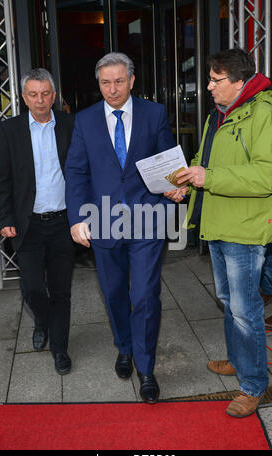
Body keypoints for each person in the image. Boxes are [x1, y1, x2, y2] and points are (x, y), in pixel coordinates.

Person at [165, 48, 272, 417]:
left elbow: (267, 175)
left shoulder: (264, 113)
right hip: (218, 223)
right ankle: (238, 360)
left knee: (246, 312)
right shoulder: (219, 114)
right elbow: (203, 160)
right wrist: (186, 182)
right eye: (209, 79)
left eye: (216, 80)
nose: (208, 87)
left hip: (245, 229)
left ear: (240, 82)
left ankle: (254, 385)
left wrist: (207, 178)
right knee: (229, 302)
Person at [64, 52, 175, 404]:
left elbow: (167, 159)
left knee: (144, 295)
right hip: (103, 222)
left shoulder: (154, 114)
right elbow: (77, 171)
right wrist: (77, 218)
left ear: (131, 80)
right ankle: (124, 348)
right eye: (105, 82)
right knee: (114, 294)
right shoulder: (84, 121)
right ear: (99, 84)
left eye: (118, 81)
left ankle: (146, 367)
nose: (112, 89)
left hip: (147, 221)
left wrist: (176, 184)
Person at [0, 68, 75, 375]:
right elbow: (0, 180)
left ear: (54, 96)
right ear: (24, 97)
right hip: (27, 224)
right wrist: (5, 218)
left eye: (45, 94)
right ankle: (42, 320)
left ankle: (60, 347)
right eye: (33, 94)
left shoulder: (70, 124)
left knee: (61, 291)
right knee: (32, 289)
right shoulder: (9, 130)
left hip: (63, 222)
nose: (40, 100)